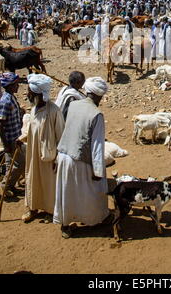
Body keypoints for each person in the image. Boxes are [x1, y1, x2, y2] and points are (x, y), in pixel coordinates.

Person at [53, 76, 111, 238]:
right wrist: (97, 171)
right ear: (98, 95)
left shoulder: (74, 105)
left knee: (68, 192)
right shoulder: (97, 114)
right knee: (93, 192)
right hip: (81, 160)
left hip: (64, 155)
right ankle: (97, 218)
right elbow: (97, 145)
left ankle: (65, 225)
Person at [17, 74, 65, 223]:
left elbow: (61, 136)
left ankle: (50, 211)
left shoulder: (54, 111)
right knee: (32, 180)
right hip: (33, 154)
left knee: (49, 183)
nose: (27, 94)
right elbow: (31, 129)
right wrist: (21, 139)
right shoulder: (33, 109)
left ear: (37, 94)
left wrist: (58, 158)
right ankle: (32, 208)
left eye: (30, 92)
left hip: (48, 155)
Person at [0, 73, 26, 197]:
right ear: (9, 86)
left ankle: (10, 186)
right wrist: (6, 144)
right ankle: (6, 185)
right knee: (20, 163)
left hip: (16, 136)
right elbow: (0, 124)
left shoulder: (11, 97)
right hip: (11, 139)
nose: (18, 86)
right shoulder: (5, 101)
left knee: (11, 164)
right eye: (15, 84)